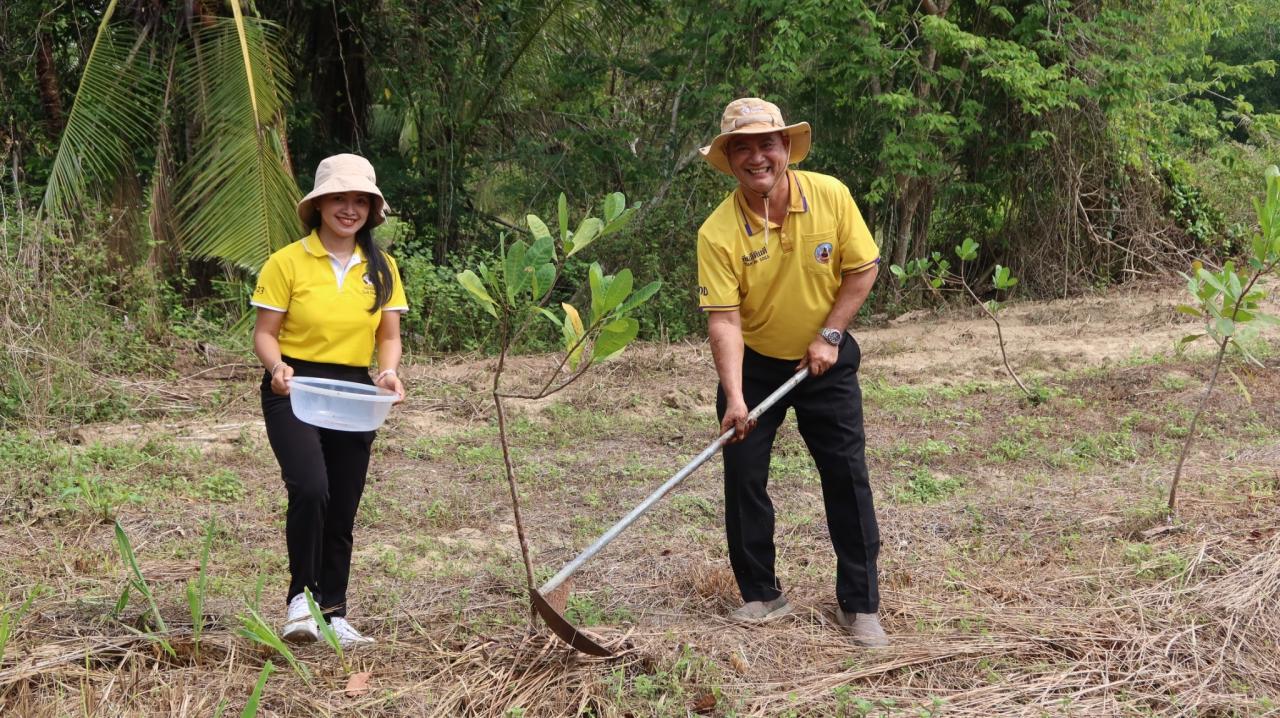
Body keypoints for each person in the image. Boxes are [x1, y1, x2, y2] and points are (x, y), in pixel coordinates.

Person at [696, 98, 887, 647]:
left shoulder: (830, 195)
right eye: (742, 148)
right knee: (744, 478)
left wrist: (830, 335)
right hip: (755, 367)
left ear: (786, 149)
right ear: (730, 160)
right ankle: (761, 594)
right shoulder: (718, 232)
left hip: (825, 358)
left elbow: (862, 268)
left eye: (766, 144)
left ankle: (861, 603)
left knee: (846, 476)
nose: (757, 157)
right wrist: (734, 398)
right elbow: (725, 321)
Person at [251, 153, 408, 648]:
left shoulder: (382, 267)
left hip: (353, 390)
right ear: (319, 205)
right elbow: (265, 333)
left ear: (371, 209)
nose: (349, 208)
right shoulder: (287, 262)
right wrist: (277, 368)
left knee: (343, 502)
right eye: (339, 198)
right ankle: (302, 600)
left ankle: (334, 611)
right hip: (294, 386)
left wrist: (387, 373)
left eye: (360, 200)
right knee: (311, 487)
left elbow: (388, 336)